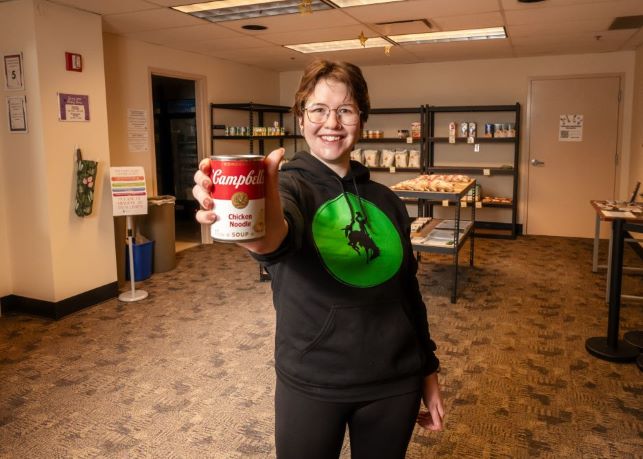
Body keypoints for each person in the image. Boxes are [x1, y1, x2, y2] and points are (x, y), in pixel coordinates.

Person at [193, 60, 444, 459]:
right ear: (300, 116)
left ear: (361, 118)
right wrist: (254, 208)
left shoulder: (388, 201)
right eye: (319, 109)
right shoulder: (289, 187)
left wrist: (427, 370)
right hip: (313, 381)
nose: (332, 122)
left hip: (394, 382)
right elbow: (273, 240)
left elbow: (408, 292)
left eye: (345, 110)